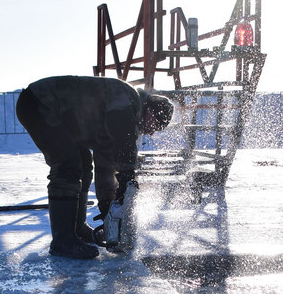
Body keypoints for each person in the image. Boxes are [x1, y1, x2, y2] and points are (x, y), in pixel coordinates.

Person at [15, 75, 173, 259]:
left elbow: (105, 171)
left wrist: (109, 211)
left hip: (62, 116)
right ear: (151, 111)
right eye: (156, 125)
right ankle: (62, 241)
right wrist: (127, 176)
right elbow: (124, 142)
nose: (152, 131)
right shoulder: (127, 100)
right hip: (39, 103)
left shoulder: (120, 117)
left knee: (83, 165)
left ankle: (77, 228)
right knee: (67, 165)